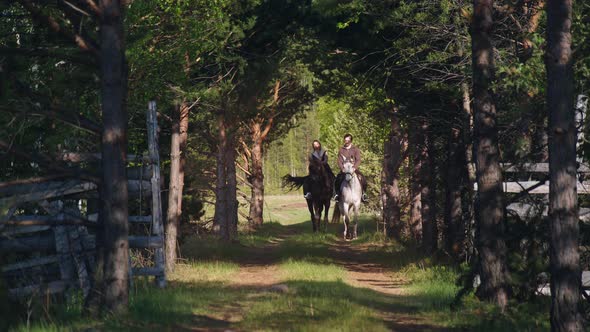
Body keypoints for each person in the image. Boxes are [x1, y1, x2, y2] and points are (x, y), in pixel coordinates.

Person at [333, 133, 368, 202]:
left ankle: (364, 194)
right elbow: (339, 160)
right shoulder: (341, 150)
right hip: (344, 169)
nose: (346, 142)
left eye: (348, 141)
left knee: (362, 178)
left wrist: (355, 167)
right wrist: (342, 168)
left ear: (351, 141)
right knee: (337, 179)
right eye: (345, 140)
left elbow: (358, 160)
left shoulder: (355, 149)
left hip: (353, 169)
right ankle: (337, 195)